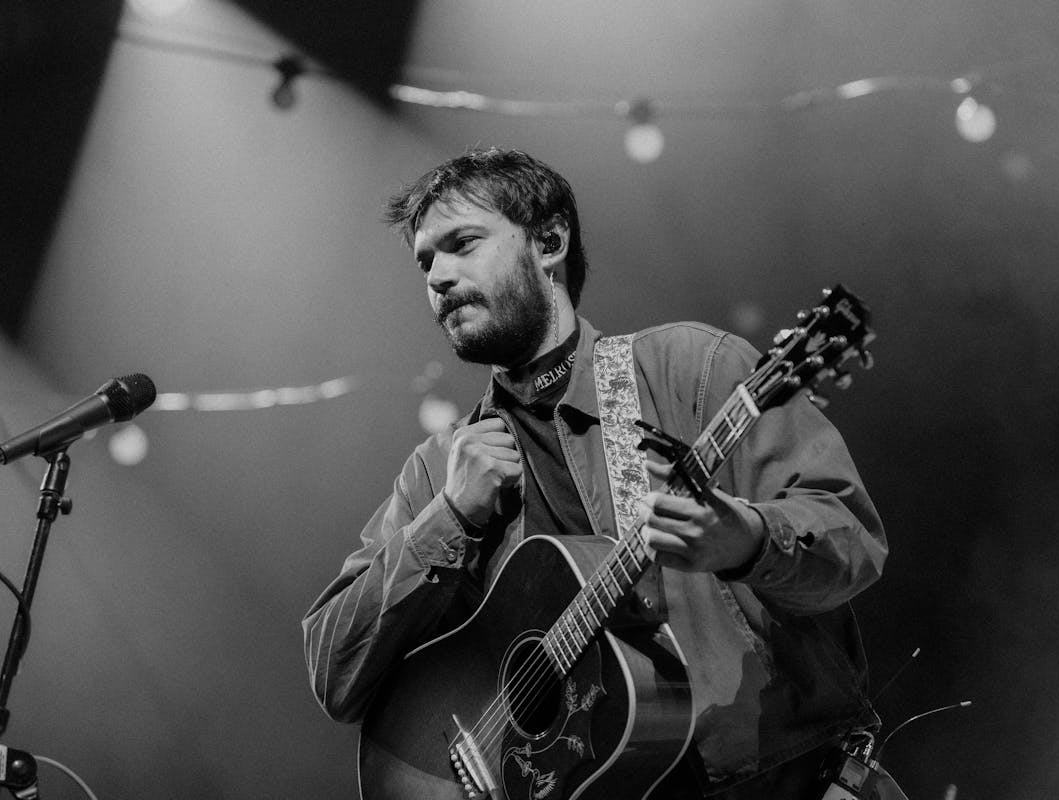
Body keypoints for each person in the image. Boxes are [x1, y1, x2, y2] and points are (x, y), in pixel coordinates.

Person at [302, 148, 888, 798]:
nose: (438, 276)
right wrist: (450, 517)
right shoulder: (438, 469)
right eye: (425, 261)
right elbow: (336, 671)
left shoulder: (690, 367)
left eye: (462, 244)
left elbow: (853, 543)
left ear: (550, 242)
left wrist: (747, 540)